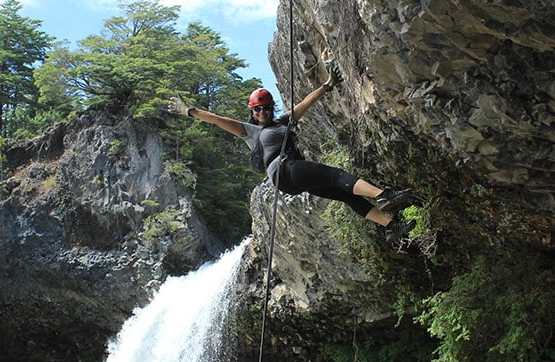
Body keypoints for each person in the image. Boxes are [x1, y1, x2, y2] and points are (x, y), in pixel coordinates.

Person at [166, 62, 415, 241]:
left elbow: (305, 102)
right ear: (251, 112)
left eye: (264, 108)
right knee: (337, 176)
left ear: (271, 108)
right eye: (256, 109)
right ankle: (385, 195)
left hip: (289, 181)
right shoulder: (251, 132)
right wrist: (191, 111)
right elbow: (220, 120)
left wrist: (327, 85)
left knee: (346, 195)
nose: (261, 112)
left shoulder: (284, 121)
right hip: (286, 169)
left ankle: (391, 225)